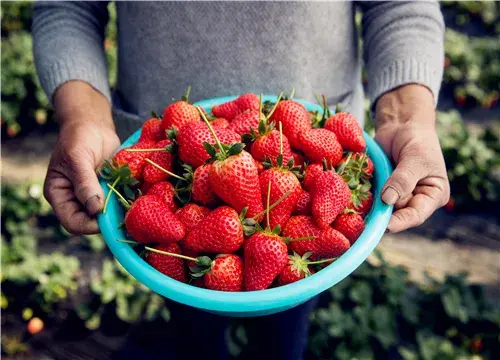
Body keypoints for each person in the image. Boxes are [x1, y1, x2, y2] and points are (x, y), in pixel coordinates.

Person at [33, 1, 450, 359]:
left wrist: (408, 118)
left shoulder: (310, 181)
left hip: (317, 150)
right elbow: (66, 6)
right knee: (192, 322)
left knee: (286, 325)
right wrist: (83, 116)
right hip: (155, 149)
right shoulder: (179, 205)